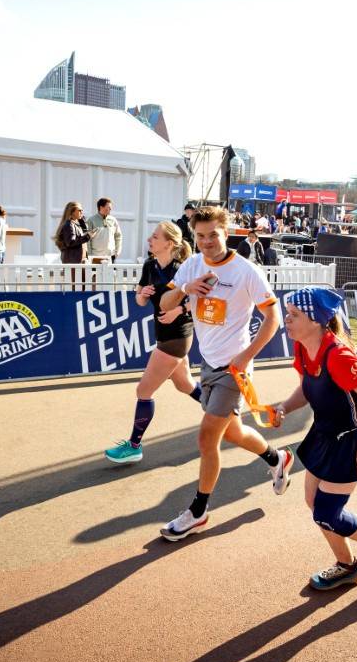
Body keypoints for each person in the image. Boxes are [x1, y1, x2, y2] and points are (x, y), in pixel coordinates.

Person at [157, 205, 292, 541]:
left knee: (207, 438)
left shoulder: (246, 271)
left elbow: (273, 318)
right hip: (208, 365)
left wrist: (246, 357)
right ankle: (278, 458)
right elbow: (164, 303)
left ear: (226, 233)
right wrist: (186, 289)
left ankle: (198, 511)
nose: (206, 242)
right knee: (233, 433)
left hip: (234, 368)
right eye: (200, 236)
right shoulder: (192, 264)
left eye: (213, 235)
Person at [275, 288, 357, 591]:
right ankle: (347, 566)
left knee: (327, 513)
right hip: (324, 433)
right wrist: (285, 407)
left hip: (351, 441)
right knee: (313, 503)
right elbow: (307, 388)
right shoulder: (303, 348)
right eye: (287, 313)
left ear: (316, 320)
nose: (286, 320)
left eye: (294, 315)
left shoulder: (338, 356)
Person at [105, 221, 201, 464]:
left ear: (169, 243)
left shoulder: (182, 268)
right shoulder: (149, 265)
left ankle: (134, 446)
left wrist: (178, 310)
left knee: (143, 391)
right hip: (163, 332)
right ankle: (222, 413)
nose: (149, 239)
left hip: (177, 336)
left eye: (155, 237)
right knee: (185, 384)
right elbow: (139, 300)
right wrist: (142, 295)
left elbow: (200, 299)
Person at [87, 197, 123, 263]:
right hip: (95, 257)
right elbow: (88, 240)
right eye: (108, 207)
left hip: (111, 256)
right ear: (101, 207)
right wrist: (90, 255)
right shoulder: (91, 220)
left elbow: (118, 236)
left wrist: (117, 251)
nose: (110, 209)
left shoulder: (113, 220)